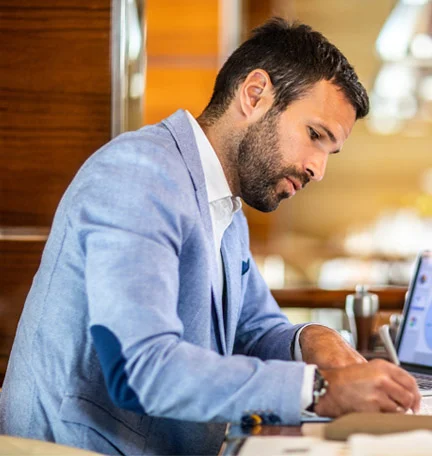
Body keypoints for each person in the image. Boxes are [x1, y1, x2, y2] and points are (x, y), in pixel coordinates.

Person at [0, 17, 421, 456]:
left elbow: (255, 329)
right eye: (315, 135)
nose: (319, 168)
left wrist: (315, 341)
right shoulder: (138, 175)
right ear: (255, 95)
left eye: (330, 150)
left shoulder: (225, 206)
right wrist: (318, 388)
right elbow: (139, 369)